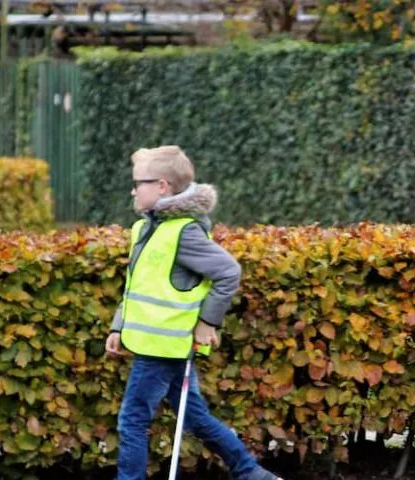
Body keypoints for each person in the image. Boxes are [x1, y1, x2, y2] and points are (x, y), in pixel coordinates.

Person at [105, 146, 282, 480]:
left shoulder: (184, 232)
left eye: (138, 183)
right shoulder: (144, 229)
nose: (132, 190)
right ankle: (250, 472)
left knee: (132, 419)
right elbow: (137, 286)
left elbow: (229, 272)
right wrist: (119, 326)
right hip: (151, 343)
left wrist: (207, 322)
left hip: (163, 347)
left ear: (161, 186)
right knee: (195, 418)